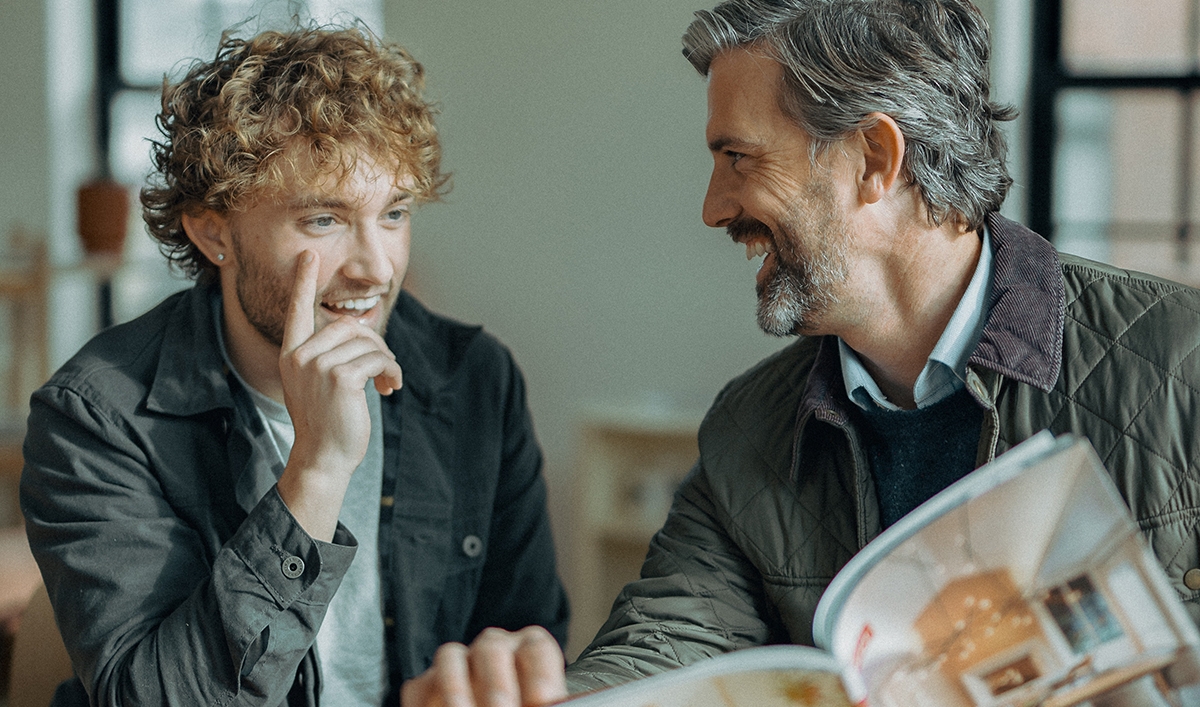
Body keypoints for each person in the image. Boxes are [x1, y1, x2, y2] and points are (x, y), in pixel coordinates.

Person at [400, 0, 1200, 704]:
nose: (714, 207)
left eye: (738, 158)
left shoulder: (1183, 362)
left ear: (876, 161)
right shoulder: (748, 431)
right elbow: (659, 653)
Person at [20, 25, 569, 707]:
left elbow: (525, 637)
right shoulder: (97, 417)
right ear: (212, 230)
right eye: (323, 220)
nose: (375, 266)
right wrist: (318, 469)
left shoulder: (475, 378)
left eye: (393, 212)